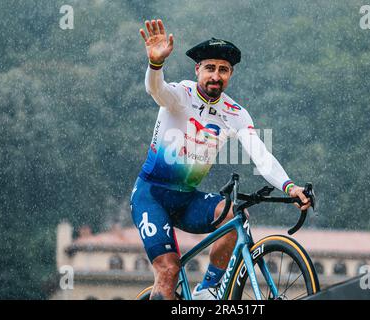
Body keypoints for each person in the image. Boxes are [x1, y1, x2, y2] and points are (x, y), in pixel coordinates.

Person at [130, 19, 311, 300]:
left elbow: (261, 156)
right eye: (210, 68)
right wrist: (155, 65)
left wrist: (289, 186)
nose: (216, 76)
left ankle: (209, 290)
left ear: (230, 75)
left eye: (223, 70)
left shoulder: (235, 113)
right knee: (169, 270)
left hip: (187, 199)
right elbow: (156, 90)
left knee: (233, 215)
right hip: (151, 196)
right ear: (197, 69)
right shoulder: (180, 95)